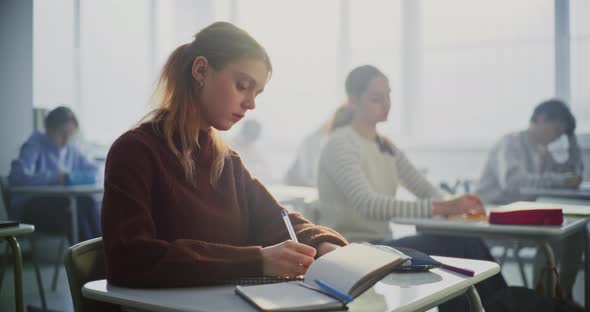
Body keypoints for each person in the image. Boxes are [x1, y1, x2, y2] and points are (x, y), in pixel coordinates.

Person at [101, 22, 347, 288]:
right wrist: (257, 260)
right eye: (243, 85)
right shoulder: (135, 151)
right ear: (201, 70)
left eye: (257, 93)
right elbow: (129, 258)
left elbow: (277, 220)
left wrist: (323, 244)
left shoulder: (226, 161)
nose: (251, 103)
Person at [317, 65, 506, 311]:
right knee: (461, 246)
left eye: (388, 96)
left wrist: (453, 206)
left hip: (380, 247)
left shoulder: (385, 146)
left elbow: (423, 187)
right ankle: (504, 305)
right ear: (353, 101)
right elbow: (369, 205)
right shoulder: (340, 144)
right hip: (351, 251)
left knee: (463, 244)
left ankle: (501, 305)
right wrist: (444, 206)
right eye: (376, 98)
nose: (386, 104)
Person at [476, 99, 584, 300]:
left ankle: (562, 296)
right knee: (553, 236)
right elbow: (513, 183)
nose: (558, 135)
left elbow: (572, 175)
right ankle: (543, 301)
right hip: (495, 217)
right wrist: (560, 180)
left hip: (523, 218)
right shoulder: (510, 143)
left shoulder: (541, 150)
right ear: (542, 119)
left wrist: (572, 140)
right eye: (558, 128)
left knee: (577, 233)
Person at [8, 106, 101, 242]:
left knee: (89, 202)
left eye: (71, 134)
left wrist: (74, 177)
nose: (66, 140)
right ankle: (88, 259)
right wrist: (55, 177)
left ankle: (100, 254)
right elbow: (16, 177)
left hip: (63, 205)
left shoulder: (70, 147)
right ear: (49, 129)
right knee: (74, 208)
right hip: (30, 209)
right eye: (62, 134)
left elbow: (93, 170)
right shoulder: (35, 143)